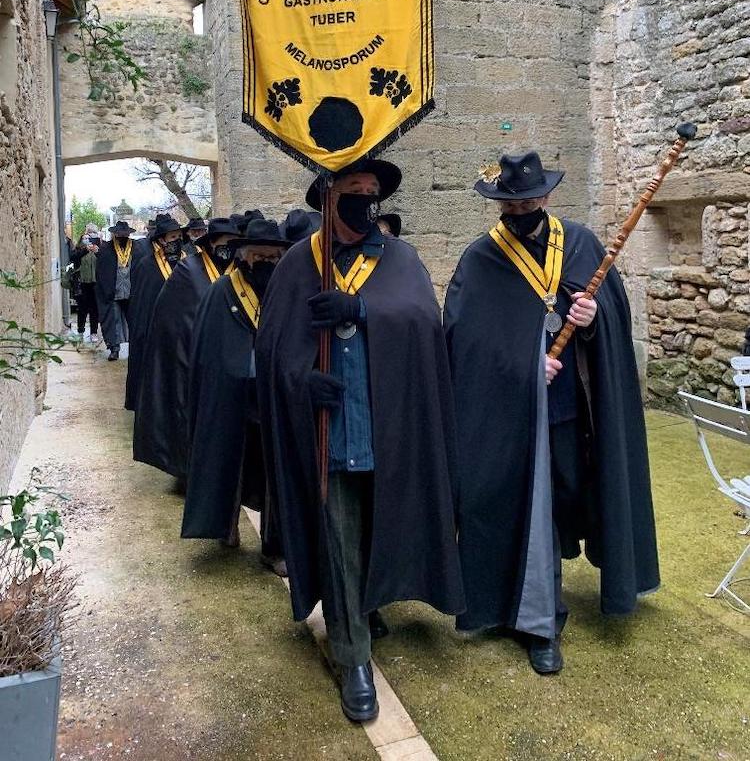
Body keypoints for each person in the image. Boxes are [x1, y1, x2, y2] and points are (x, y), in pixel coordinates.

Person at [256, 159, 464, 723]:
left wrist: (364, 309)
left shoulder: (400, 259)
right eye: (353, 193)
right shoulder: (300, 265)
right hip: (330, 433)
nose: (364, 204)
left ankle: (371, 607)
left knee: (381, 530)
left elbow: (423, 324)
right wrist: (304, 380)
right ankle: (352, 658)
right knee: (339, 539)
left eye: (371, 195)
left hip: (390, 426)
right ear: (328, 196)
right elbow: (272, 350)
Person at [444, 151, 660, 675]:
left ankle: (541, 592)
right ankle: (541, 622)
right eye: (508, 203)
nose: (518, 211)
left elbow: (611, 310)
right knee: (515, 503)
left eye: (526, 201)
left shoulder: (581, 243)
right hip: (508, 414)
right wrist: (522, 366)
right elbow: (462, 336)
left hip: (571, 408)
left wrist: (590, 318)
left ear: (544, 197)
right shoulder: (481, 258)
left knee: (564, 495)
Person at [182, 217, 290, 574]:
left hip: (272, 397)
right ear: (244, 256)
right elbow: (208, 350)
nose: (266, 263)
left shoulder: (286, 292)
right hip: (230, 395)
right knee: (229, 460)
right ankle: (225, 524)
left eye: (274, 258)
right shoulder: (221, 291)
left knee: (277, 472)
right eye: (259, 256)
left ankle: (274, 548)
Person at [132, 217, 240, 480]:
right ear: (211, 244)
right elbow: (172, 322)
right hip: (193, 362)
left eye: (233, 244)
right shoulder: (188, 271)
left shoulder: (241, 270)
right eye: (223, 244)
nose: (227, 249)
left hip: (231, 363)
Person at [124, 214, 185, 411]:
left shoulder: (189, 262)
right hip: (156, 331)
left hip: (183, 332)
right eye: (173, 238)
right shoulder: (147, 265)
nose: (177, 242)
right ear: (161, 240)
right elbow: (141, 304)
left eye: (179, 237)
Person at [95, 220, 138, 361]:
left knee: (134, 321)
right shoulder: (106, 249)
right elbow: (101, 272)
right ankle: (114, 349)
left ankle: (136, 348)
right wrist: (105, 289)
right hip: (113, 292)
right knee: (113, 322)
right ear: (115, 234)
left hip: (132, 292)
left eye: (124, 234)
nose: (122, 237)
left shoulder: (136, 248)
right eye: (119, 234)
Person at [70, 224, 101, 343]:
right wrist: (84, 249)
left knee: (94, 309)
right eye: (89, 233)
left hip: (95, 283)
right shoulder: (80, 247)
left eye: (94, 233)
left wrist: (98, 251)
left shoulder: (100, 246)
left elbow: (105, 261)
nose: (91, 236)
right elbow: (73, 257)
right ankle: (81, 331)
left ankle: (93, 332)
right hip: (81, 283)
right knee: (82, 309)